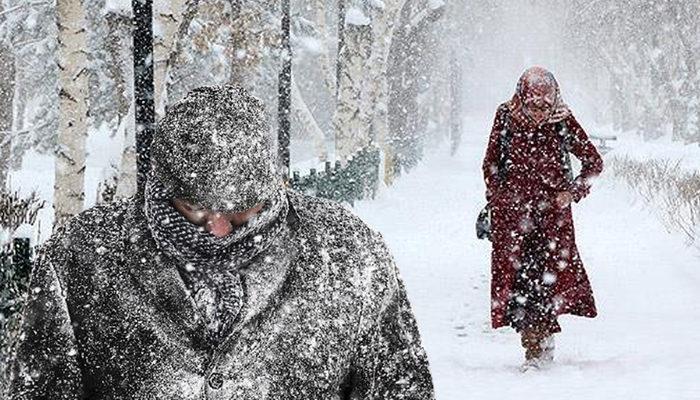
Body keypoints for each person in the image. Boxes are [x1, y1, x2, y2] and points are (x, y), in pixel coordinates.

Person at [7, 86, 435, 399]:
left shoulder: (348, 256)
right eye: (194, 209)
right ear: (160, 190)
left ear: (271, 188)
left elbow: (401, 388)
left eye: (241, 212)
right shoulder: (81, 258)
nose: (218, 230)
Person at [482, 67, 603, 370]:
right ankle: (533, 344)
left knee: (546, 282)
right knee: (520, 284)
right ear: (522, 98)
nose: (538, 112)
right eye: (533, 105)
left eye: (544, 106)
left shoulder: (562, 120)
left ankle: (539, 346)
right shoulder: (506, 117)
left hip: (553, 222)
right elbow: (491, 163)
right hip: (513, 220)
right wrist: (500, 198)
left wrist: (572, 192)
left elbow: (593, 163)